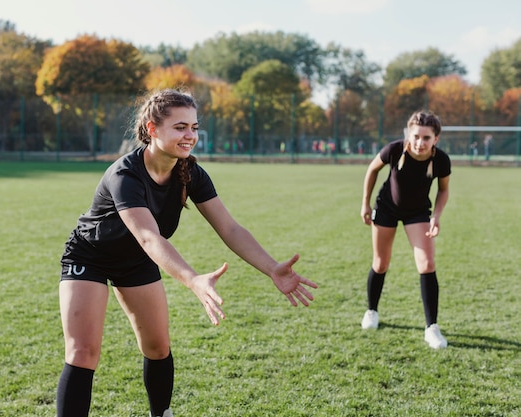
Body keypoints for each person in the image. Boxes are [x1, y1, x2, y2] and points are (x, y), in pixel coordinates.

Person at [56, 89, 318, 417]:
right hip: (90, 256)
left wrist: (271, 268)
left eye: (194, 127)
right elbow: (150, 238)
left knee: (157, 346)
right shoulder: (125, 174)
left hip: (136, 261)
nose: (190, 135)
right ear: (152, 129)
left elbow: (230, 228)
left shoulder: (189, 172)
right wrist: (193, 280)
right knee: (83, 352)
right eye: (180, 127)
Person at [359, 110, 451, 349]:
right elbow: (372, 170)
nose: (420, 143)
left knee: (427, 264)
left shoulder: (441, 160)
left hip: (418, 212)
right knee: (380, 264)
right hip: (386, 208)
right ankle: (372, 311)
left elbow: (443, 190)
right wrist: (365, 203)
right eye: (416, 136)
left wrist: (437, 217)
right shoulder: (394, 150)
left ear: (436, 139)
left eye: (426, 138)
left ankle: (432, 328)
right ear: (409, 134)